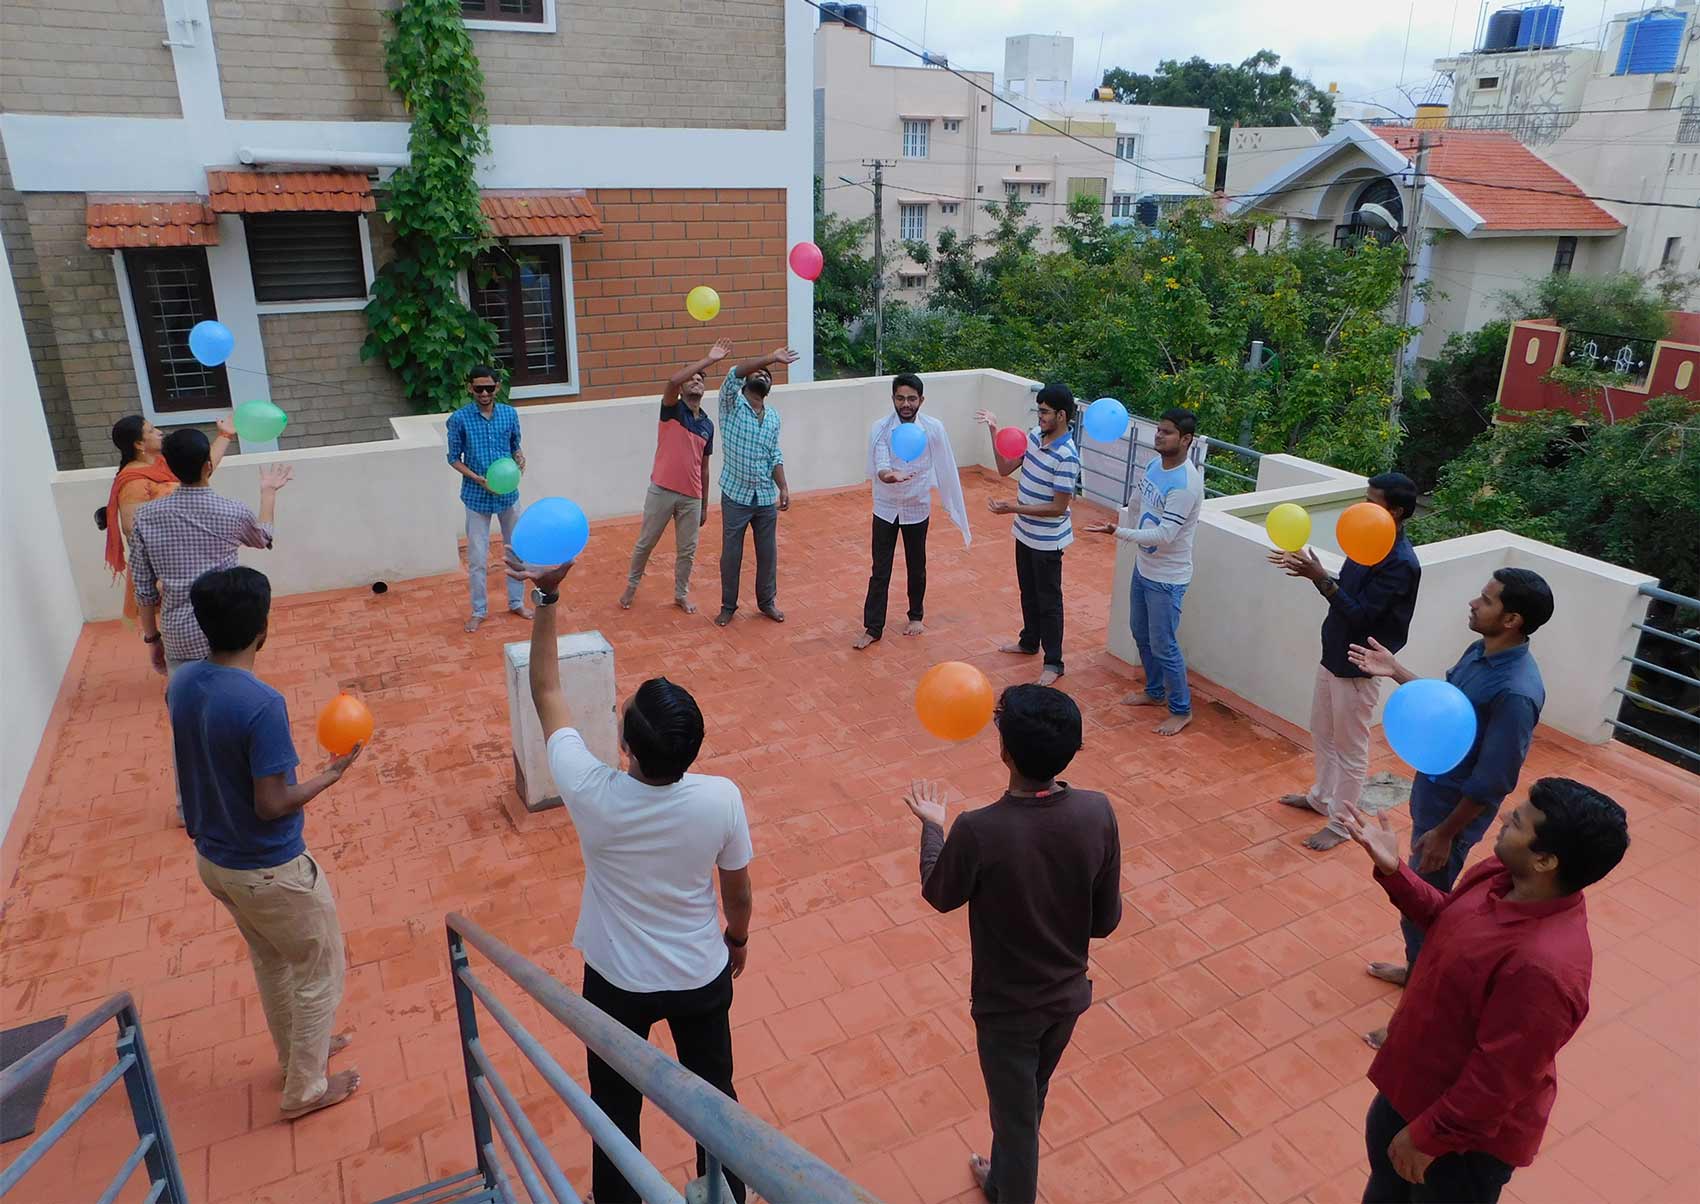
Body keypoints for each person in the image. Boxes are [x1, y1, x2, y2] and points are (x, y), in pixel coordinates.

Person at [507, 552, 755, 1204]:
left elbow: (547, 692)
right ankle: (725, 1192)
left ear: (625, 744)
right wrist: (738, 939)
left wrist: (548, 600)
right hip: (701, 974)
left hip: (616, 981)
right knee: (715, 1097)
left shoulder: (591, 790)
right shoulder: (720, 799)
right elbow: (738, 889)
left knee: (614, 1105)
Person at [1337, 777, 1629, 1203]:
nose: (1508, 815)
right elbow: (1447, 922)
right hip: (1411, 1088)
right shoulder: (1500, 874)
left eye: (1522, 821)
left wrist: (1427, 1137)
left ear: (1546, 861)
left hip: (1462, 1142)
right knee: (1384, 1190)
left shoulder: (1544, 967)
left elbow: (1497, 1081)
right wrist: (1393, 871)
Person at [901, 685, 1121, 1204]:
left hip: (1007, 1011)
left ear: (1004, 752)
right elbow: (1105, 921)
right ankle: (1000, 1179)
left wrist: (934, 829)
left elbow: (939, 893)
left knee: (1017, 1119)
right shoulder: (1098, 811)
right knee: (1026, 1101)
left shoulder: (980, 829)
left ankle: (1010, 1185)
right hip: (1066, 1000)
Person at [169, 567, 362, 1120]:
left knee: (274, 962)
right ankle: (305, 1089)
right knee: (318, 969)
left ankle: (301, 1054)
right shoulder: (260, 703)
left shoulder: (183, 683)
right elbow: (272, 803)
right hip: (269, 870)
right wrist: (332, 774)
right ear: (264, 628)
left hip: (216, 861)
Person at [1348, 566, 1553, 1048]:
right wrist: (1396, 669)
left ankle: (1412, 1019)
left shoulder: (1517, 692)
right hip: (1434, 797)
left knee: (1427, 911)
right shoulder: (1480, 651)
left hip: (1452, 819)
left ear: (1512, 620)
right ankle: (1414, 970)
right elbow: (1447, 712)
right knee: (1417, 906)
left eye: (1486, 599)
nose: (1473, 603)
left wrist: (1445, 833)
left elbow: (1497, 777)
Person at [1268, 472, 1423, 849]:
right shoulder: (1367, 541)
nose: (1363, 508)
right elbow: (1350, 592)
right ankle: (1321, 798)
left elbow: (1363, 616)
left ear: (1397, 511)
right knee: (1321, 731)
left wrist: (1321, 578)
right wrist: (1319, 575)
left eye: (1373, 502)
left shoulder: (1401, 563)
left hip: (1359, 665)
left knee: (1351, 748)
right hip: (1334, 653)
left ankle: (1342, 825)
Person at [1084, 408, 1204, 736]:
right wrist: (1124, 523)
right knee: (1140, 632)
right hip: (1144, 569)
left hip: (1167, 579)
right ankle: (1154, 692)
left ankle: (1181, 709)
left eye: (1167, 432)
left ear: (1186, 439)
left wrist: (1117, 533)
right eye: (1159, 430)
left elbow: (1165, 535)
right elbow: (1137, 503)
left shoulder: (1186, 484)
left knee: (1164, 643)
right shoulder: (1154, 466)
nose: (1159, 436)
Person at [853, 372, 972, 649]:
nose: (905, 404)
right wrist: (888, 475)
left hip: (917, 507)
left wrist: (951, 502)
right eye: (900, 398)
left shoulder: (933, 429)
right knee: (880, 568)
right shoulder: (880, 428)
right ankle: (873, 627)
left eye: (911, 398)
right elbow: (880, 464)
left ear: (921, 400)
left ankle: (916, 616)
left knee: (916, 565)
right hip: (885, 508)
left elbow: (946, 466)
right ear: (892, 399)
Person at [976, 384, 1081, 686]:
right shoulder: (1034, 437)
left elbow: (1059, 508)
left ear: (1061, 415)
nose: (1040, 417)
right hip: (1025, 533)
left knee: (1049, 601)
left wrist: (1014, 508)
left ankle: (1054, 662)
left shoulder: (1067, 457)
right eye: (1039, 410)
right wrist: (994, 431)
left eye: (1045, 412)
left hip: (1048, 542)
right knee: (1028, 592)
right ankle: (1028, 641)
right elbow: (1004, 469)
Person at [96, 413, 235, 626]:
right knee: (188, 622)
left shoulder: (164, 464)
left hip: (194, 556)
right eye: (151, 430)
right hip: (171, 567)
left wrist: (225, 435)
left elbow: (203, 469)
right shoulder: (133, 482)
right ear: (139, 444)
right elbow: (134, 531)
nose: (159, 432)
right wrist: (162, 575)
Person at [621, 340, 728, 614]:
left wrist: (704, 504)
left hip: (692, 497)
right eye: (690, 378)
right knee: (646, 543)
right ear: (682, 388)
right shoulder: (672, 409)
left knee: (687, 551)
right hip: (662, 490)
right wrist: (708, 359)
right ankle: (631, 587)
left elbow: (704, 467)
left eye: (700, 380)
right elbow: (671, 381)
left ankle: (680, 594)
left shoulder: (707, 425)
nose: (696, 382)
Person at [715, 346, 798, 628]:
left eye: (767, 374)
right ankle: (728, 606)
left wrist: (783, 486)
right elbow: (734, 373)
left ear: (770, 388)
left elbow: (774, 454)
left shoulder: (773, 417)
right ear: (748, 380)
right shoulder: (731, 405)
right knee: (732, 554)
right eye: (757, 372)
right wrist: (771, 358)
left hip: (764, 496)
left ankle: (767, 603)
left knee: (767, 554)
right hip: (736, 495)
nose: (761, 375)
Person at [447, 365, 529, 633]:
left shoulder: (509, 414)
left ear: (498, 386)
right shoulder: (459, 419)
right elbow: (453, 459)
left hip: (508, 495)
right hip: (476, 496)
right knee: (478, 556)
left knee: (516, 550)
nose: (484, 392)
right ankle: (479, 610)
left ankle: (517, 602)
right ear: (470, 387)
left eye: (489, 388)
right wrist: (479, 479)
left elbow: (514, 445)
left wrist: (519, 458)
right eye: (478, 387)